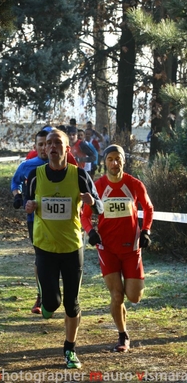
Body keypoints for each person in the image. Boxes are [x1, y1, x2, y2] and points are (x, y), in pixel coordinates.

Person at [25, 129, 103, 369]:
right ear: (44, 149)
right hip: (45, 247)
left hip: (71, 248)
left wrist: (92, 202)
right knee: (52, 302)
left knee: (72, 302)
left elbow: (99, 205)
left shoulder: (79, 175)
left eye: (58, 142)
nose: (53, 146)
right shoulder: (35, 175)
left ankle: (70, 349)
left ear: (67, 148)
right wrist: (28, 205)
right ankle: (46, 301)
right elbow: (27, 203)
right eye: (49, 143)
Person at [81, 144, 154, 353]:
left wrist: (146, 231)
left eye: (118, 159)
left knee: (134, 297)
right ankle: (122, 335)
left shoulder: (133, 184)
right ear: (105, 161)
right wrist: (91, 232)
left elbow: (148, 208)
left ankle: (123, 319)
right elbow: (85, 215)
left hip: (131, 248)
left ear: (124, 160)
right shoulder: (97, 186)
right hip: (107, 248)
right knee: (116, 295)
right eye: (110, 159)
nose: (114, 163)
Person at [11, 129, 49, 314]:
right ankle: (41, 296)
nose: (44, 148)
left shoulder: (64, 165)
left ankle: (56, 294)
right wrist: (17, 197)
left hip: (59, 222)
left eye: (46, 144)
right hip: (34, 219)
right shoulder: (27, 165)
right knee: (41, 258)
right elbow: (15, 183)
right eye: (40, 144)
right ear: (35, 147)